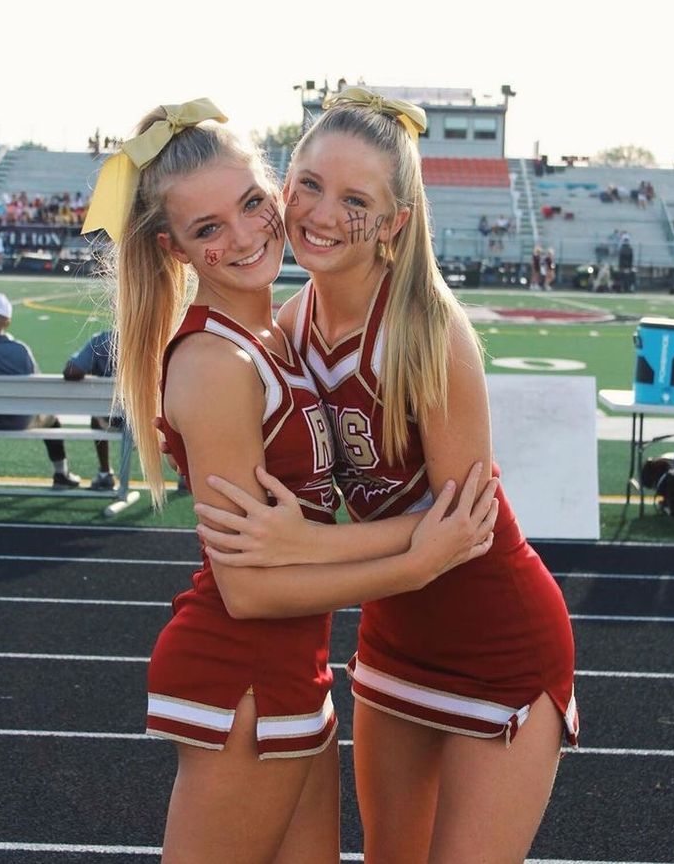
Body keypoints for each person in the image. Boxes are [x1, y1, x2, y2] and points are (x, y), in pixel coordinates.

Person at [82, 98, 498, 864]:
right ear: (174, 248)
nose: (242, 235)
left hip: (292, 674)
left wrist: (342, 538)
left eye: (249, 203)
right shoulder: (215, 363)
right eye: (207, 229)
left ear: (275, 192)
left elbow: (299, 537)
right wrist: (416, 554)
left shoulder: (279, 332)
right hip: (236, 674)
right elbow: (247, 588)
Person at [195, 88, 579, 864]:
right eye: (308, 183)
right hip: (396, 634)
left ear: (396, 223)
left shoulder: (428, 333)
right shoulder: (291, 326)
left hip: (498, 641)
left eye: (355, 199)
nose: (322, 213)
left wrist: (303, 543)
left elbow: (464, 527)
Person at [0, 292, 81, 489]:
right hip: (17, 421)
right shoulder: (20, 351)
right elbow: (38, 388)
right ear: (7, 322)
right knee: (52, 419)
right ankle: (61, 473)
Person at [63, 329, 119, 490]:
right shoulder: (156, 335)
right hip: (149, 418)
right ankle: (182, 473)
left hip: (112, 419)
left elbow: (72, 371)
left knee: (98, 416)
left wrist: (76, 359)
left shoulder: (102, 341)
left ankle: (105, 472)